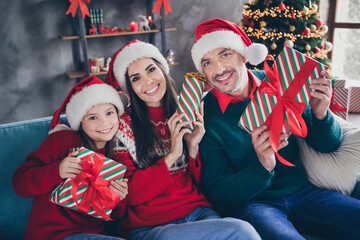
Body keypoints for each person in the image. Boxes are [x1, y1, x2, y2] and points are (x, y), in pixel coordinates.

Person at [190, 18, 360, 240]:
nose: (219, 69)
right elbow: (218, 194)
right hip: (253, 205)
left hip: (303, 192)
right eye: (207, 62)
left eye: (224, 54)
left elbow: (327, 145)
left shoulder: (277, 82)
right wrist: (262, 166)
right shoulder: (206, 116)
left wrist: (320, 115)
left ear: (244, 54)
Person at [104, 39, 261, 240]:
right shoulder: (121, 126)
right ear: (130, 88)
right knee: (242, 231)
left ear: (162, 70)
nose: (148, 81)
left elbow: (199, 183)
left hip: (198, 213)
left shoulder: (184, 109)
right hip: (150, 226)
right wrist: (171, 157)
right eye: (136, 78)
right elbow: (130, 194)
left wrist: (192, 147)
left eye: (151, 70)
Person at [12, 76, 128, 240]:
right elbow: (19, 184)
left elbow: (115, 218)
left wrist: (119, 198)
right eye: (93, 117)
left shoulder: (119, 153)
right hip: (53, 234)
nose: (104, 123)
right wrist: (56, 171)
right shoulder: (62, 141)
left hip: (96, 234)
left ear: (118, 114)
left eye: (109, 113)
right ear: (80, 122)